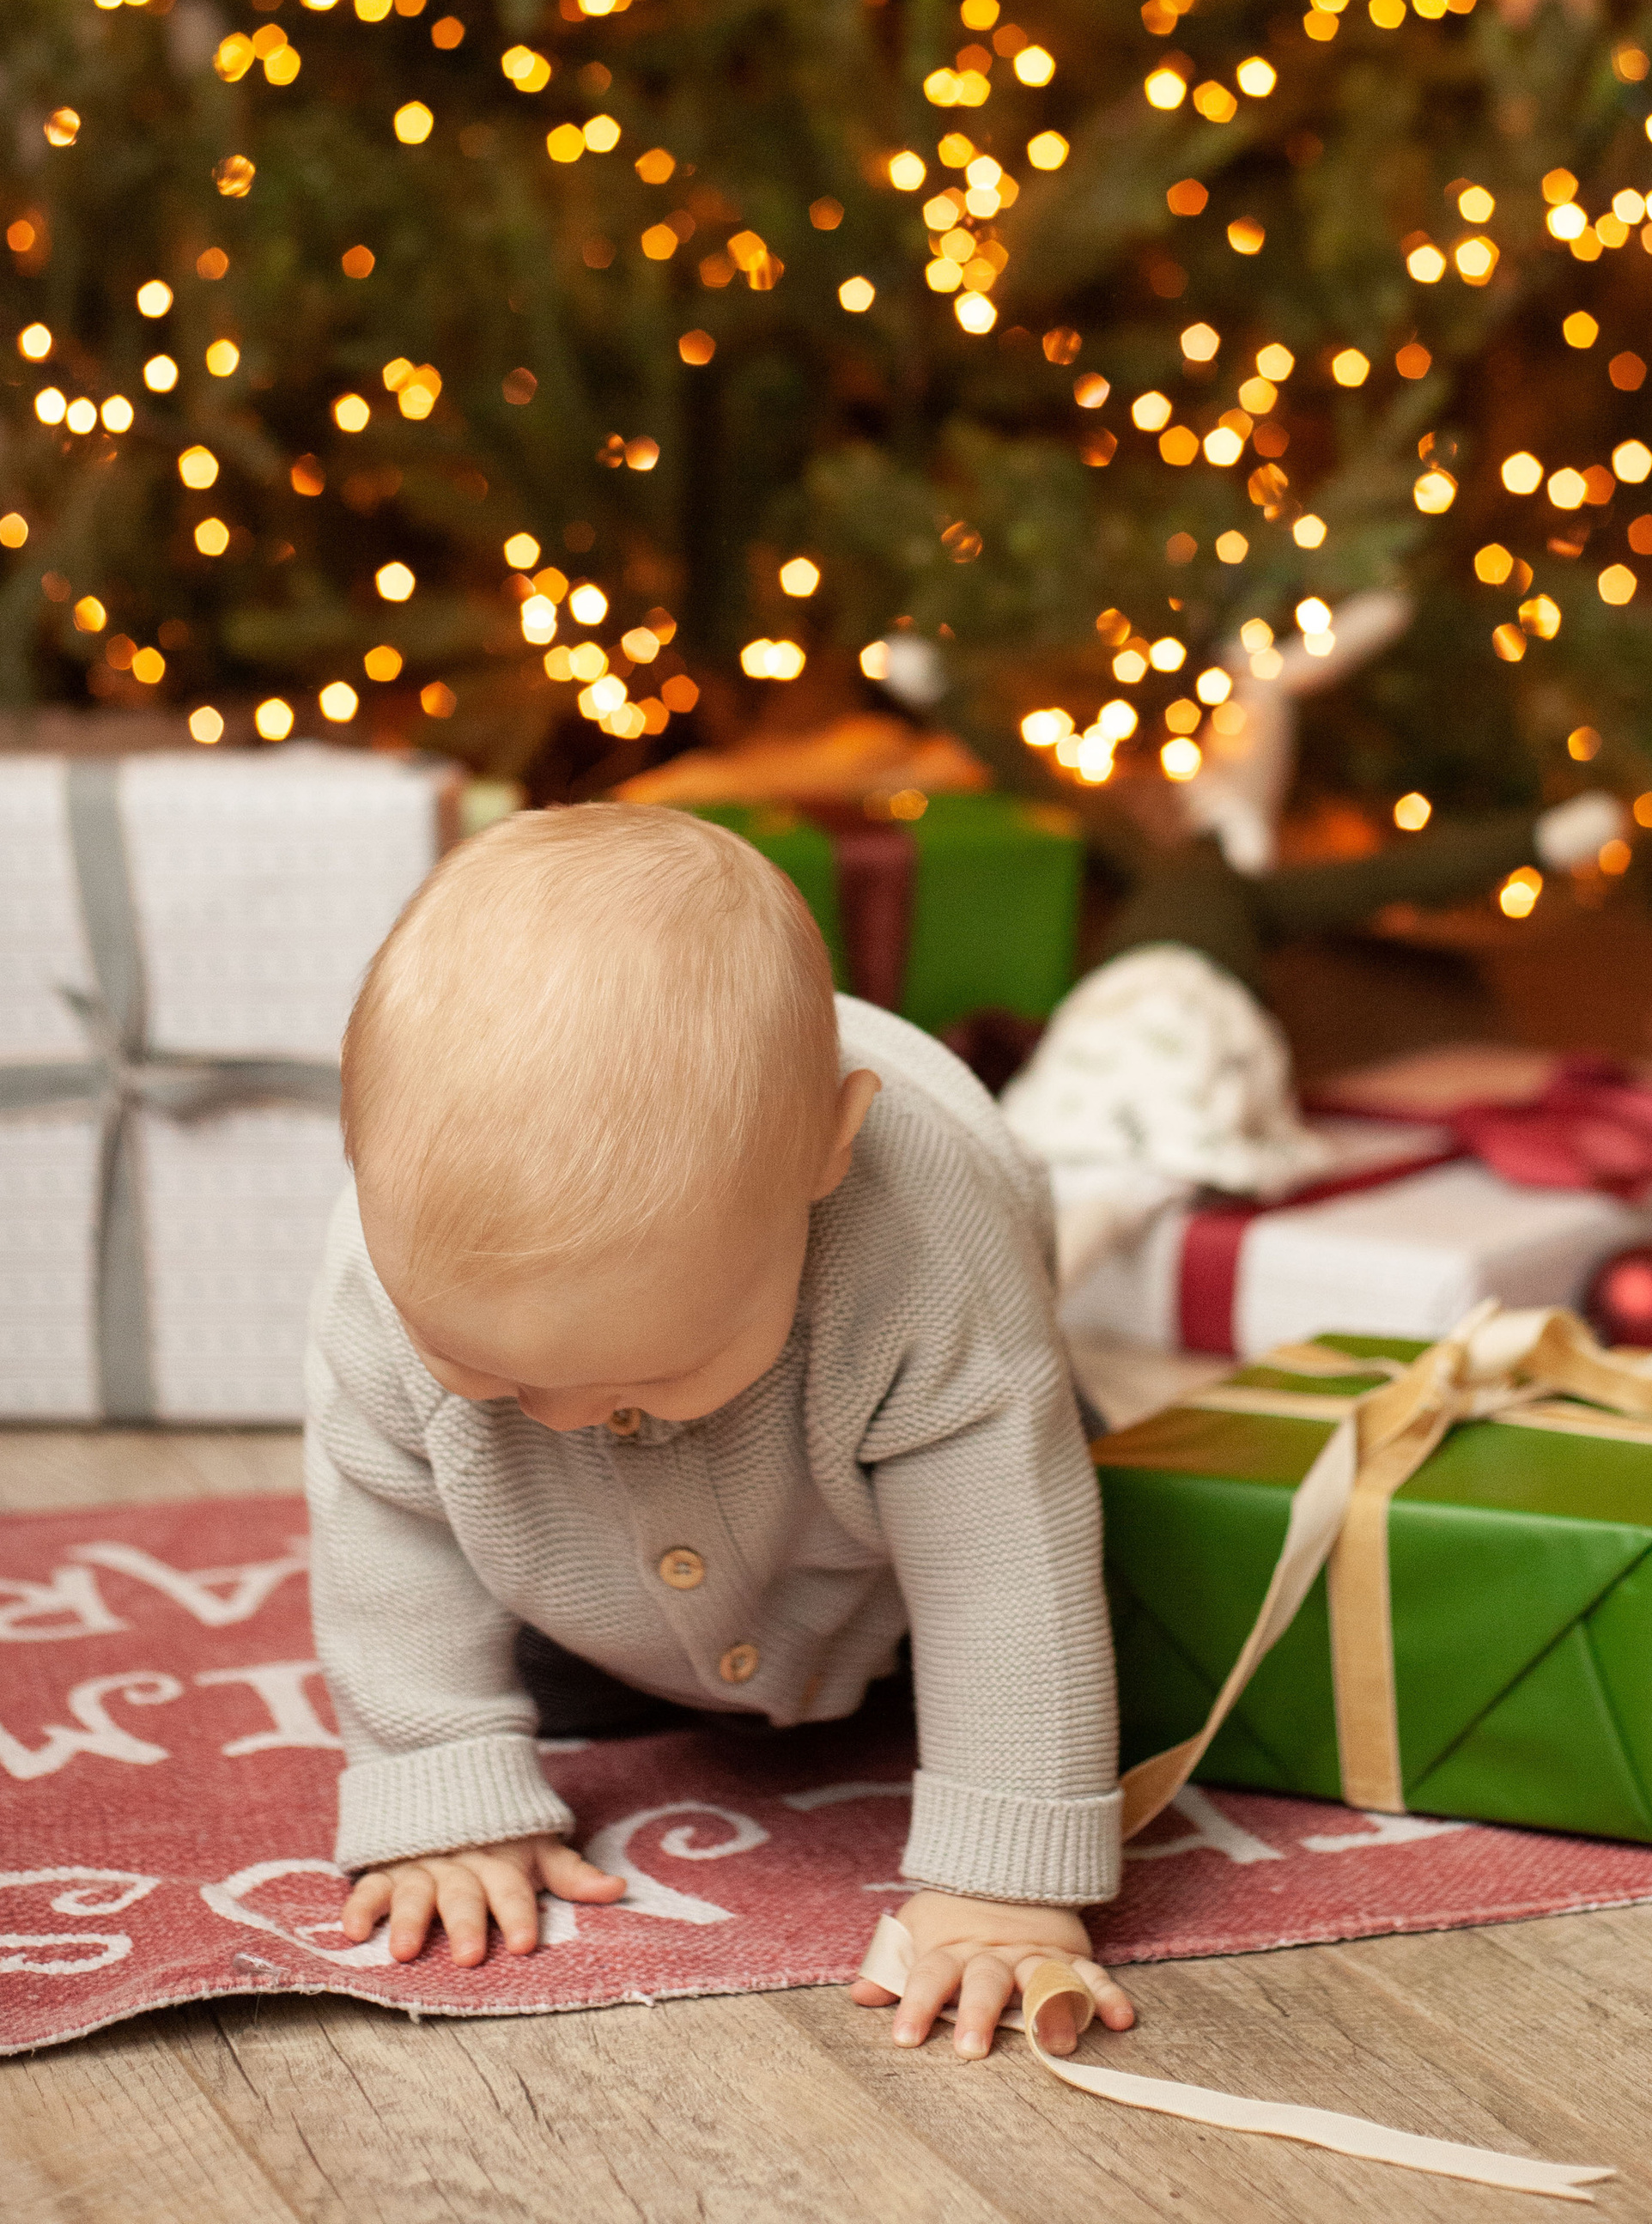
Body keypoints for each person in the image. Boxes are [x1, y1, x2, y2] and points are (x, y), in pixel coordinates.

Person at [308, 799, 1134, 2062]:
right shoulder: (379, 1264)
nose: (571, 1415)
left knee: (1082, 1597)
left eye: (661, 1369)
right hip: (586, 1574)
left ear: (828, 1153)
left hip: (894, 1560)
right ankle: (600, 1661)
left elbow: (1002, 1570)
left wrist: (1006, 1878)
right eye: (480, 1369)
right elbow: (386, 1526)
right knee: (509, 1679)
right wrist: (439, 1781)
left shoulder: (923, 1252)